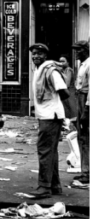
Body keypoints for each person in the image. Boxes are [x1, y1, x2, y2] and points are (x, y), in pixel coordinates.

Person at [29, 43, 71, 199]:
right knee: (50, 151)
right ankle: (54, 185)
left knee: (45, 150)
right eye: (34, 53)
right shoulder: (40, 70)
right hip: (46, 115)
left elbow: (64, 91)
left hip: (51, 116)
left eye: (39, 54)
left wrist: (64, 112)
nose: (36, 56)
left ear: (45, 56)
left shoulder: (50, 70)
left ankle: (44, 187)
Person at [74, 40, 90, 185]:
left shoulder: (90, 64)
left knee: (86, 137)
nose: (76, 52)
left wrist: (86, 110)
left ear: (85, 50)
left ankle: (87, 172)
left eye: (78, 49)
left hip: (86, 100)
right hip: (80, 98)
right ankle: (84, 169)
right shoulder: (82, 64)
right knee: (81, 136)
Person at [60, 56, 79, 126]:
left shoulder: (69, 70)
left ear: (67, 62)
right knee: (66, 110)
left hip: (69, 92)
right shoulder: (62, 70)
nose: (61, 63)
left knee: (72, 111)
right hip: (65, 92)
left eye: (63, 61)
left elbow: (66, 84)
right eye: (60, 61)